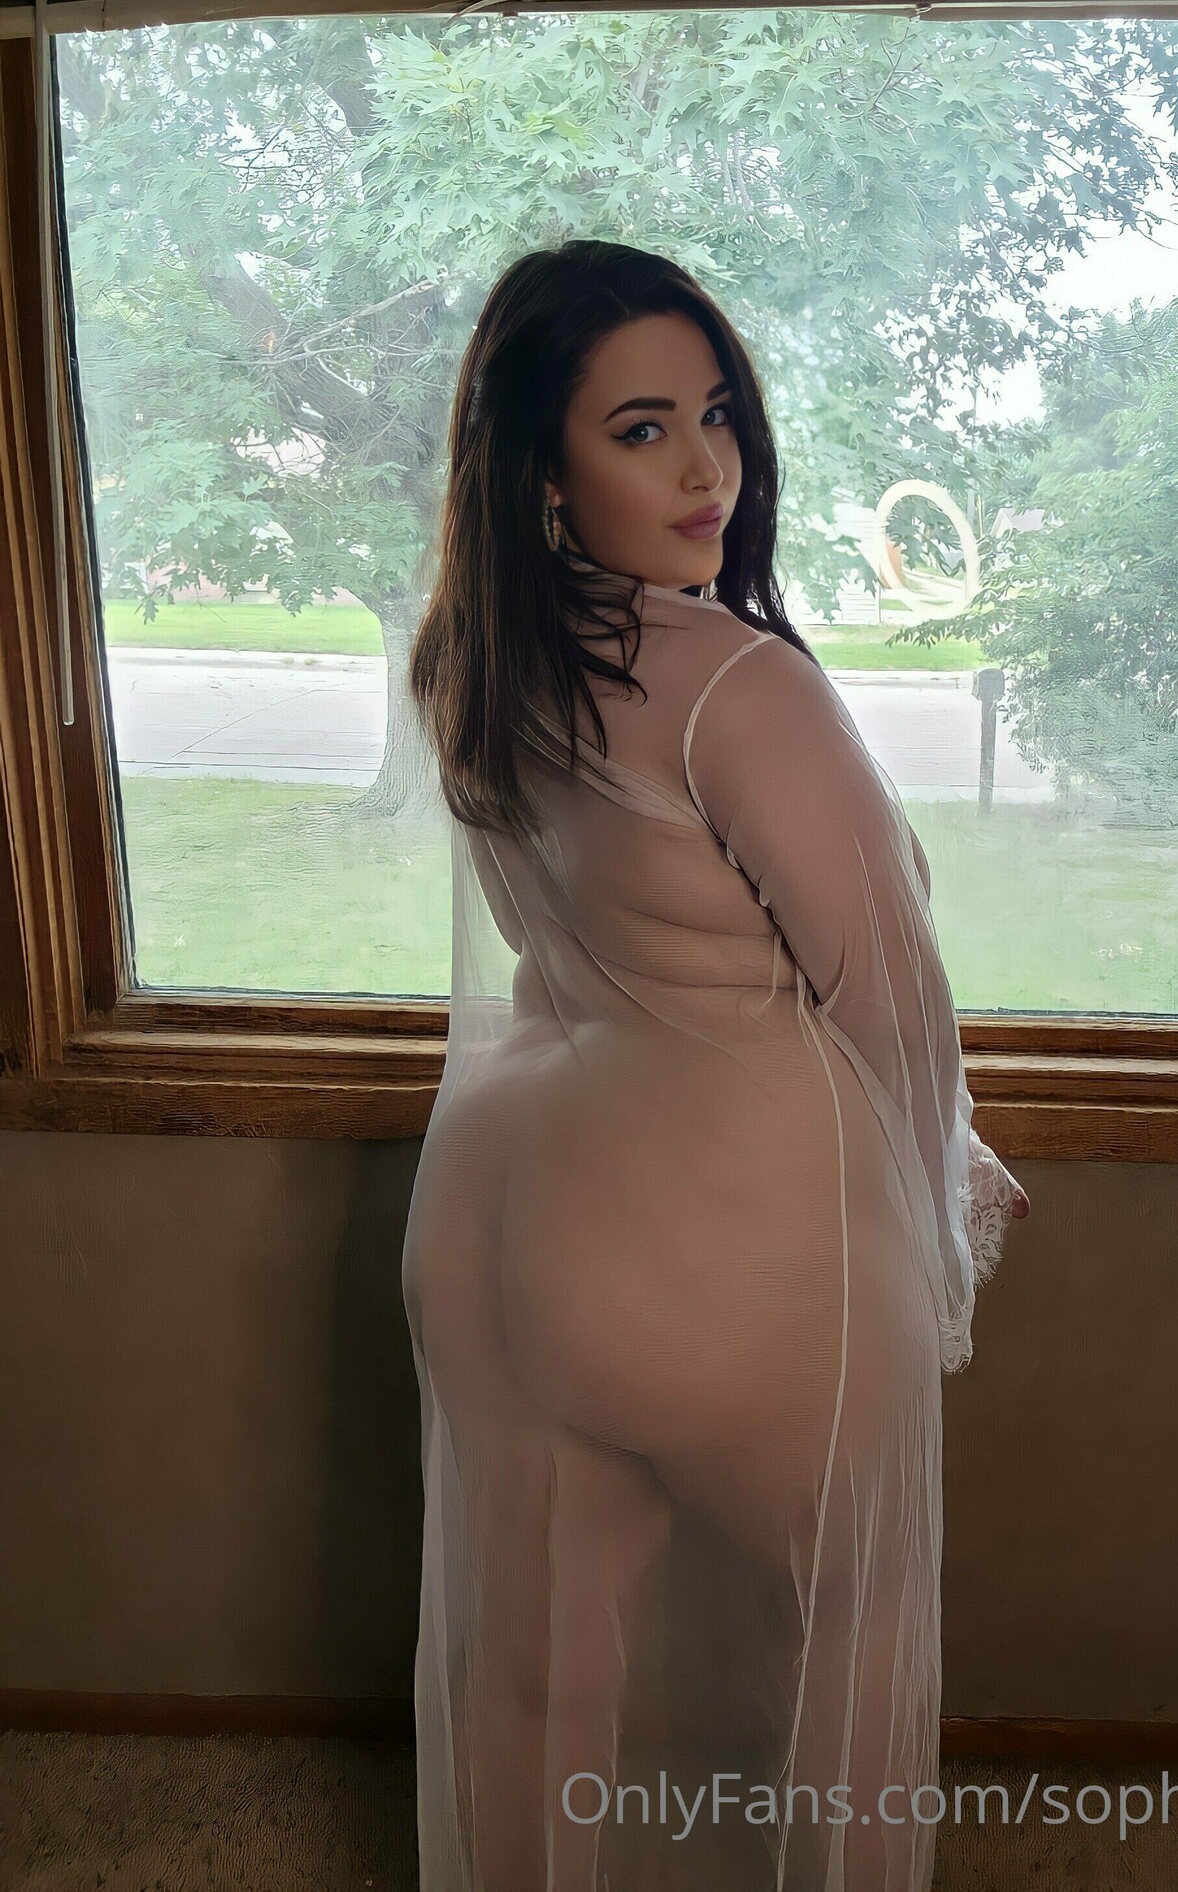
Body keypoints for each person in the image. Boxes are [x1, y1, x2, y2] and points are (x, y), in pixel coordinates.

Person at [402, 238, 1029, 1892]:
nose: (706, 470)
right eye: (641, 429)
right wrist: (939, 1216)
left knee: (533, 1680)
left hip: (506, 1226)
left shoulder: (467, 661)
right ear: (541, 472)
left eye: (718, 416)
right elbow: (892, 1007)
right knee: (851, 1661)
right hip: (740, 1248)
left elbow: (555, 935)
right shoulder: (740, 689)